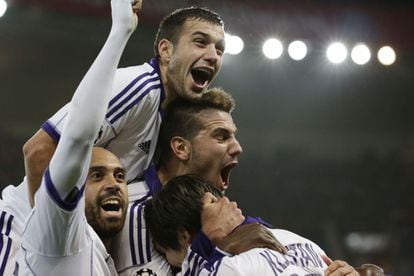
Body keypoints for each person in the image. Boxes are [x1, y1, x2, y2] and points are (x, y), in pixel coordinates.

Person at [23, 3, 227, 208]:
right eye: (200, 42)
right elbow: (39, 150)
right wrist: (42, 231)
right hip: (19, 227)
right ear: (165, 50)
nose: (213, 56)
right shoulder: (139, 88)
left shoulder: (166, 111)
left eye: (219, 50)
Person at [17, 0, 137, 274]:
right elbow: (78, 138)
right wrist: (120, 31)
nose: (113, 184)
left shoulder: (101, 258)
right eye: (96, 175)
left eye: (120, 176)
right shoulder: (54, 233)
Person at [111, 87, 285, 275]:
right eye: (222, 136)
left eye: (234, 136)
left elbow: (262, 240)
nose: (237, 147)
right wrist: (212, 244)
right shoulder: (135, 214)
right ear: (181, 148)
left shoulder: (208, 202)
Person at [145, 174, 361, 276]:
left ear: (183, 237)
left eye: (163, 252)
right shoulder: (297, 239)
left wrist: (205, 244)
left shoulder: (229, 268)